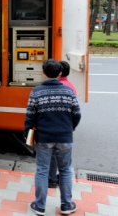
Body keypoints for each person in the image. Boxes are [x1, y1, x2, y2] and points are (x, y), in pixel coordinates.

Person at [24, 59, 81, 215]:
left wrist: (27, 134)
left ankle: (40, 206)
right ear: (60, 73)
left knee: (42, 170)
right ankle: (67, 205)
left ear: (44, 72)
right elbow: (77, 114)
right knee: (66, 170)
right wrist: (70, 128)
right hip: (65, 137)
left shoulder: (36, 92)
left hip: (44, 138)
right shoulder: (69, 92)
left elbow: (30, 116)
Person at [48, 60, 78, 188]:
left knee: (53, 155)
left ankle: (51, 180)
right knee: (65, 159)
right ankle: (63, 184)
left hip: (53, 128)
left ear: (59, 72)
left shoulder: (54, 87)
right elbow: (76, 112)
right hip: (66, 128)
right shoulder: (71, 87)